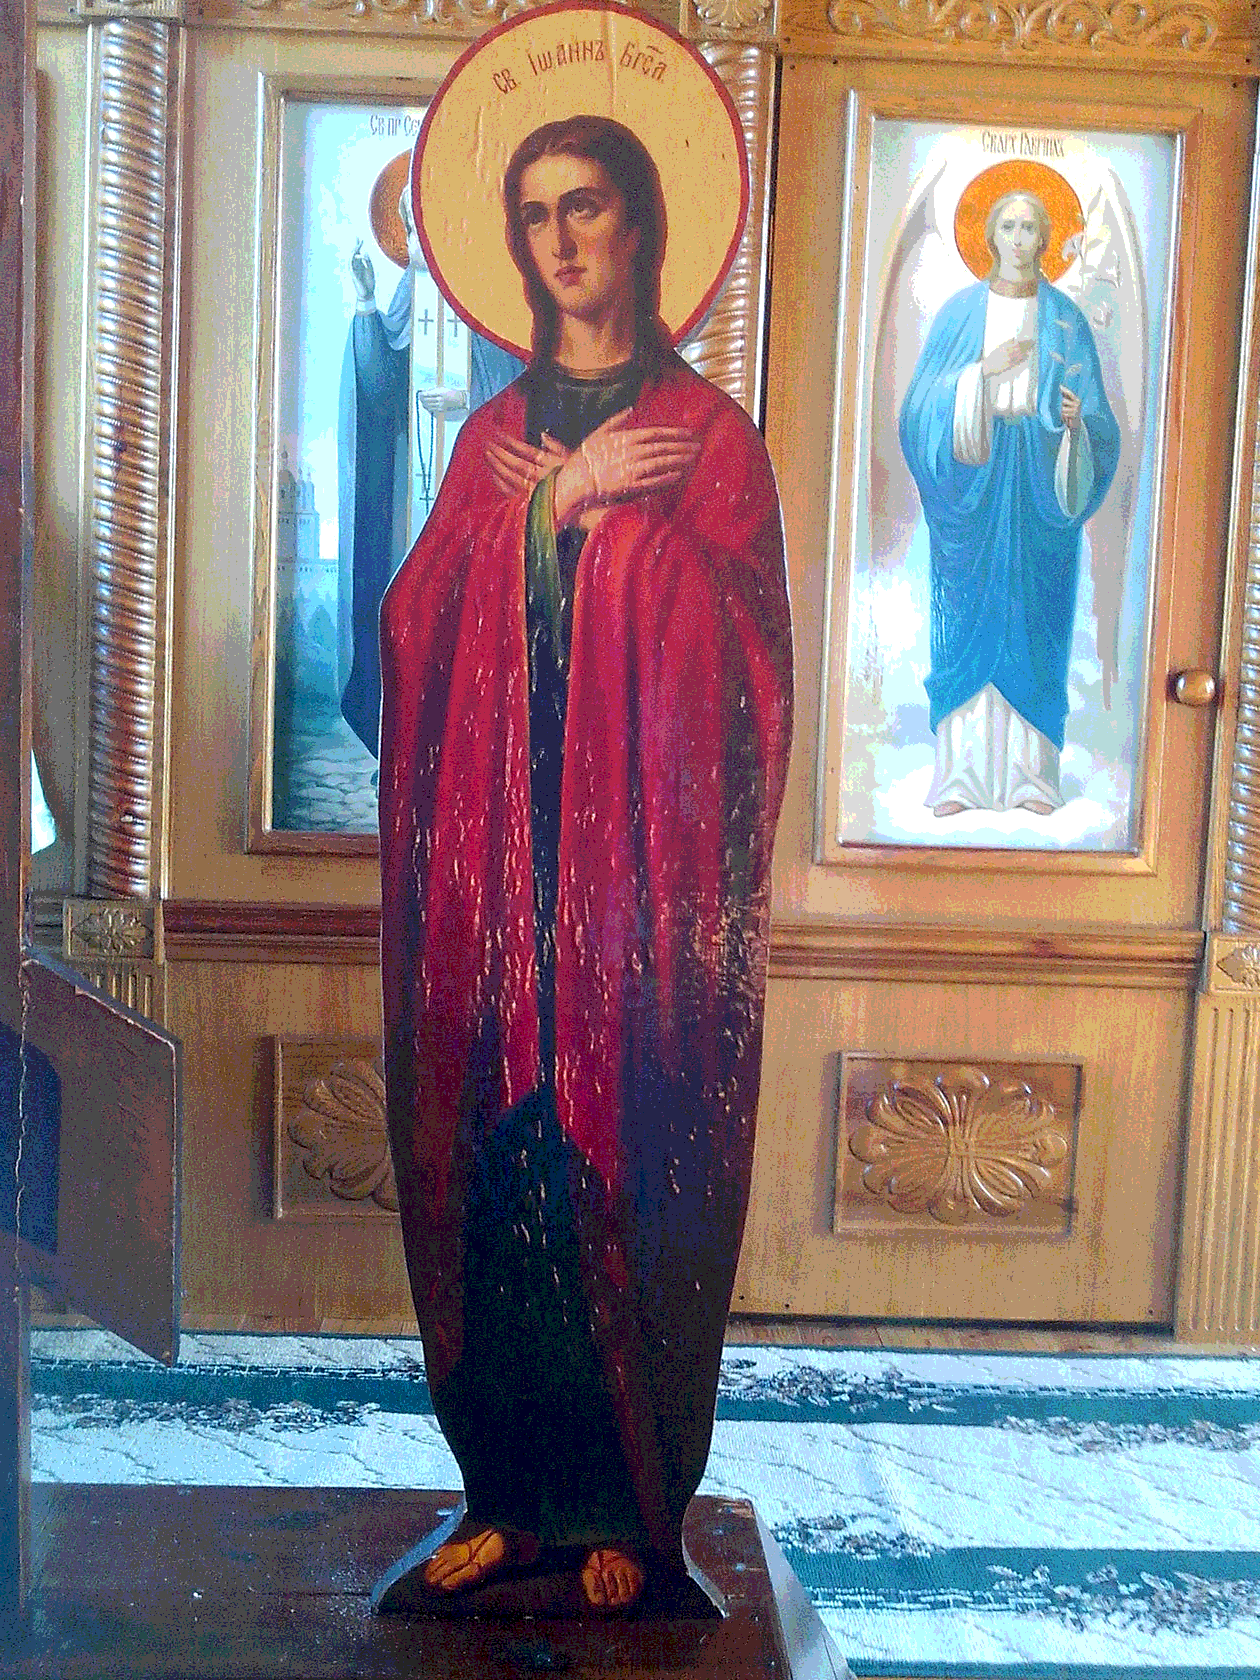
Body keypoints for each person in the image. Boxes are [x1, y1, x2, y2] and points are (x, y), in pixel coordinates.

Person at [377, 114, 792, 1612]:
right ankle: (507, 1498)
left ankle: (626, 1505)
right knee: (502, 1168)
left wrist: (622, 539)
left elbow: (751, 672)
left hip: (635, 898)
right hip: (500, 877)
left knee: (627, 1162)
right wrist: (553, 508)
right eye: (538, 211)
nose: (562, 239)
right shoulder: (492, 440)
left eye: (590, 206)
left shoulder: (712, 439)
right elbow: (412, 633)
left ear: (644, 225)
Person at [899, 188, 1121, 818]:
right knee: (967, 612)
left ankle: (1033, 778)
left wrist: (1075, 424)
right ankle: (960, 777)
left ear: (1045, 239)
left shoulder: (1066, 320)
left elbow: (1100, 423)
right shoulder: (959, 314)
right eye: (1009, 227)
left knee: (1034, 617)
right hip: (973, 487)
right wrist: (979, 375)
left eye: (1030, 228)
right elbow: (918, 410)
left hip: (1038, 488)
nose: (1020, 240)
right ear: (990, 236)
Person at [337, 178, 522, 757]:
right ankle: (406, 754)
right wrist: (366, 301)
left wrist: (469, 403)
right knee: (409, 615)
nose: (413, 239)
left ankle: (465, 753)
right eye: (409, 227)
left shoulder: (488, 299)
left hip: (477, 497)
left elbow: (523, 390)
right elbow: (378, 385)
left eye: (422, 226)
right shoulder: (407, 296)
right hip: (410, 504)